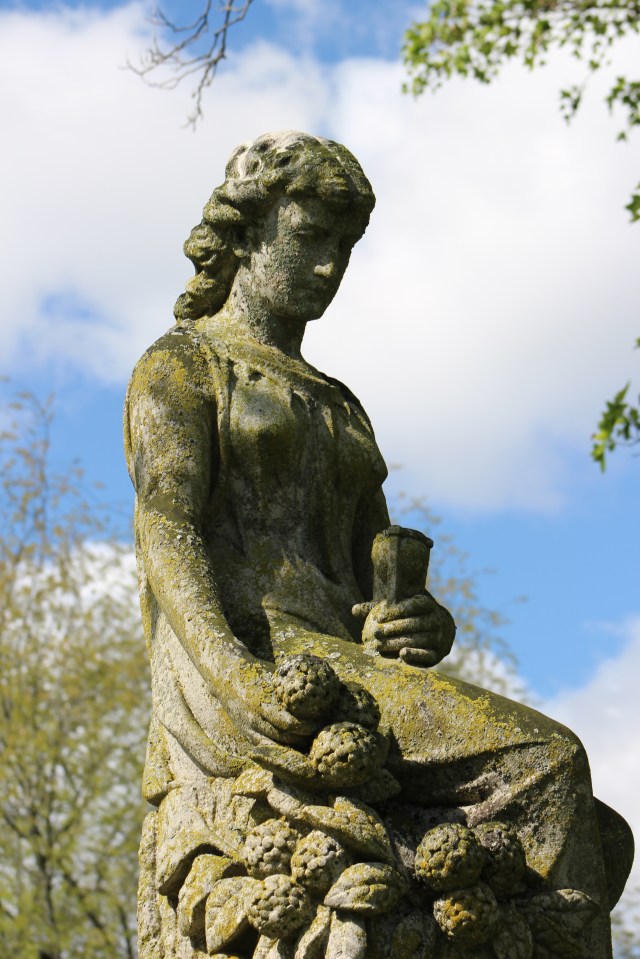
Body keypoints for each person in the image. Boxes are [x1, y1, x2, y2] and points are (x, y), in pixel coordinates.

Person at [125, 131, 629, 958]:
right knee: (549, 760)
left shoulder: (340, 405)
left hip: (349, 672)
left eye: (346, 245)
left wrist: (417, 621)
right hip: (270, 662)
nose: (330, 265)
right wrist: (235, 671)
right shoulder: (182, 365)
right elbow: (166, 528)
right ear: (248, 231)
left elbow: (374, 587)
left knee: (595, 831)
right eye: (310, 237)